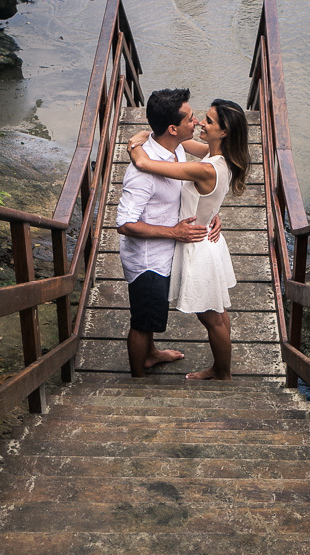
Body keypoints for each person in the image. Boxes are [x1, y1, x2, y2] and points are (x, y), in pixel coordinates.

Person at [127, 98, 250, 380]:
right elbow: (177, 141)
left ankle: (222, 371)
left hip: (197, 247)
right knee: (218, 313)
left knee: (211, 317)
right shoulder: (217, 153)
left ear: (225, 131)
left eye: (208, 121)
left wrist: (133, 144)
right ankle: (222, 367)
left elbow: (145, 163)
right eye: (200, 118)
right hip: (206, 235)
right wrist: (151, 131)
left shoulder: (205, 168)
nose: (199, 124)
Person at [115, 88, 214, 378]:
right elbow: (124, 224)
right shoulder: (141, 174)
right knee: (143, 321)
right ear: (173, 128)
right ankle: (137, 377)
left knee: (153, 316)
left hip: (164, 252)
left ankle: (152, 354)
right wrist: (173, 232)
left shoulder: (176, 148)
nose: (196, 122)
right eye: (191, 118)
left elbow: (215, 151)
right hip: (148, 261)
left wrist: (142, 135)